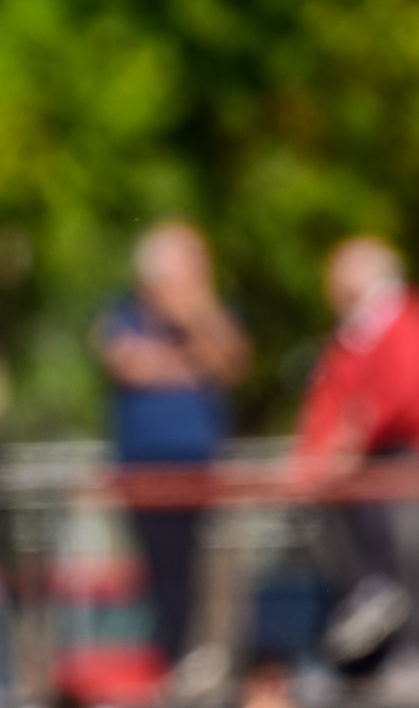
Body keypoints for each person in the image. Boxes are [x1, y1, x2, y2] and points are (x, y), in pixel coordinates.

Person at [91, 221, 250, 674]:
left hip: (202, 468)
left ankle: (207, 663)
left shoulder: (214, 313)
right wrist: (194, 365)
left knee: (209, 578)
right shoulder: (122, 312)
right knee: (160, 575)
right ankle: (170, 661)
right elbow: (128, 364)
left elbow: (233, 363)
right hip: (144, 470)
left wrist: (199, 321)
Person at [288, 236, 419, 672]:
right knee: (359, 559)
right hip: (363, 460)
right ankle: (371, 654)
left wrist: (351, 441)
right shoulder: (348, 335)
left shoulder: (408, 315)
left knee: (410, 553)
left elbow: (402, 390)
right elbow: (325, 401)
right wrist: (313, 459)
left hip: (408, 452)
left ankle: (416, 654)